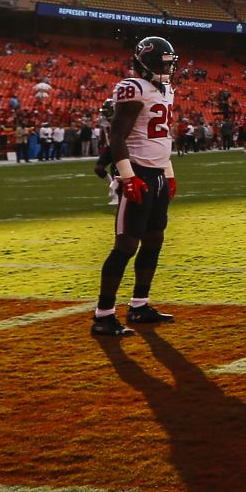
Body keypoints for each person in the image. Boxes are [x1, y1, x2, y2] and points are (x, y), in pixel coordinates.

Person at [90, 36, 180, 337]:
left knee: (154, 239)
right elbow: (117, 137)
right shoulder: (133, 86)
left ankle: (139, 305)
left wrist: (168, 172)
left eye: (169, 63)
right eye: (162, 63)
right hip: (138, 172)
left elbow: (162, 136)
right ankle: (103, 314)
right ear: (144, 62)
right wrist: (127, 177)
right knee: (126, 244)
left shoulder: (164, 90)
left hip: (156, 174)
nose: (167, 69)